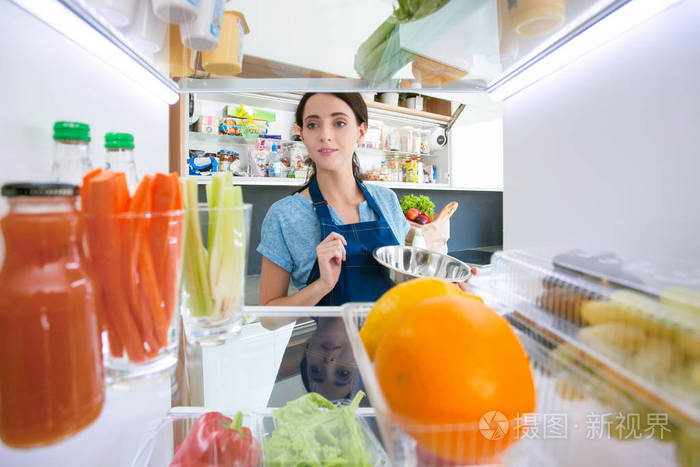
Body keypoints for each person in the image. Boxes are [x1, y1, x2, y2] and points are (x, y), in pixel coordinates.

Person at [256, 93, 410, 314]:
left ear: (360, 132)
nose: (325, 135)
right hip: (329, 347)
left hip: (394, 343)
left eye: (339, 123)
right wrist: (322, 285)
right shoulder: (284, 215)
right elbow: (269, 318)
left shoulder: (387, 200)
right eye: (312, 125)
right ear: (303, 135)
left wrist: (444, 289)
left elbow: (403, 285)